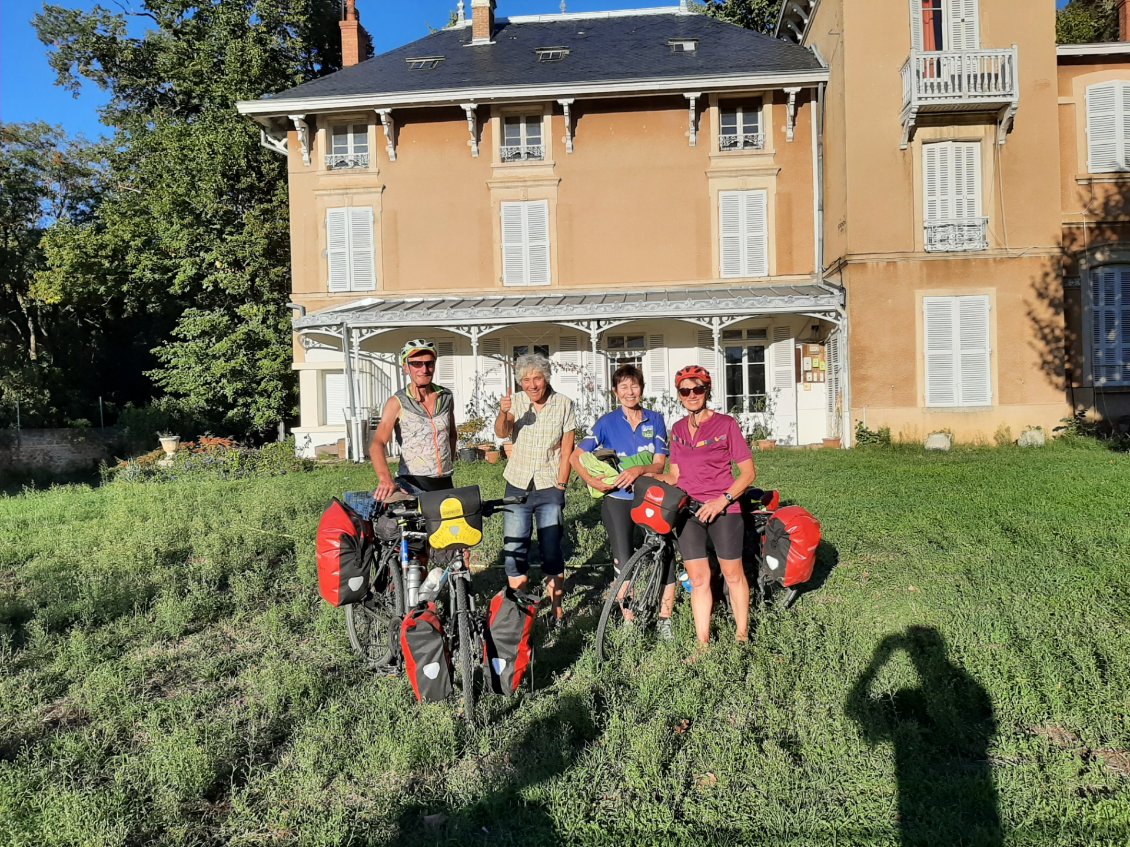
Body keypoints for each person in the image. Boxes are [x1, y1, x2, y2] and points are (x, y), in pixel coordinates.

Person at [569, 364, 674, 638]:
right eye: (624, 387)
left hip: (651, 498)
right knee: (624, 560)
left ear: (642, 388)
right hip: (617, 500)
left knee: (662, 555)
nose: (630, 392)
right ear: (616, 392)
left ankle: (664, 620)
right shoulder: (606, 422)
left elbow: (660, 464)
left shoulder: (656, 419)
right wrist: (593, 482)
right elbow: (575, 457)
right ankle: (629, 621)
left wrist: (639, 470)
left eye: (634, 386)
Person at [656, 365, 756, 652]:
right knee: (699, 580)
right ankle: (703, 645)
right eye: (685, 391)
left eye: (697, 389)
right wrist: (645, 474)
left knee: (732, 574)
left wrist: (722, 500)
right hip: (689, 511)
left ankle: (741, 636)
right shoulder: (677, 429)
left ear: (707, 391)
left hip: (723, 509)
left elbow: (748, 473)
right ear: (679, 395)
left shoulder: (726, 425)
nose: (691, 395)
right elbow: (674, 476)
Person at [494, 352, 575, 626]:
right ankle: (521, 613)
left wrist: (561, 485)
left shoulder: (564, 404)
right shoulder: (516, 402)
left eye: (536, 378)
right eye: (526, 380)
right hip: (517, 482)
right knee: (515, 549)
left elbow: (567, 451)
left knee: (551, 550)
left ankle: (557, 611)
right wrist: (504, 412)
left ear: (546, 378)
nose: (532, 385)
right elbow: (502, 432)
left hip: (549, 484)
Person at [370, 338, 457, 500]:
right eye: (417, 364)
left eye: (429, 363)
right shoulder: (397, 402)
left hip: (444, 482)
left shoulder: (446, 397)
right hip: (412, 484)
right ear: (406, 368)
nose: (424, 369)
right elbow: (377, 444)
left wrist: (447, 463)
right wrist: (385, 479)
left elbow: (452, 434)